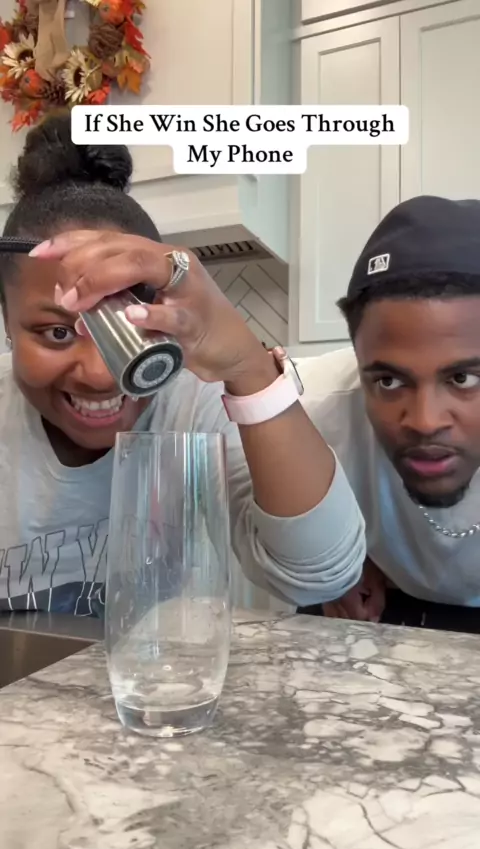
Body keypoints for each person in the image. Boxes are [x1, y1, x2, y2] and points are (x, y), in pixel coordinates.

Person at [0, 112, 365, 616]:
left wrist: (248, 367)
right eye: (58, 333)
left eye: (127, 325)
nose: (102, 374)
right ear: (7, 322)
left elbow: (322, 575)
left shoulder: (196, 402)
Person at [297, 194, 480, 633]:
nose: (425, 421)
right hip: (386, 606)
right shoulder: (306, 413)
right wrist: (340, 558)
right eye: (389, 382)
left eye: (463, 379)